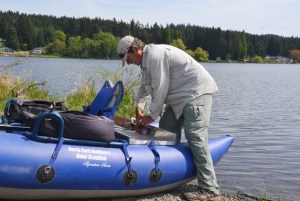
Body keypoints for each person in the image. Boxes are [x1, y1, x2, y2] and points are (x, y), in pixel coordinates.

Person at [117, 35, 220, 201]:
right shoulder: (146, 61)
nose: (128, 62)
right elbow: (144, 87)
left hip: (196, 92)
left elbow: (160, 89)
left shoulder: (156, 56)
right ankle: (169, 176)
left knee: (195, 136)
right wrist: (138, 107)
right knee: (165, 132)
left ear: (135, 50)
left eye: (127, 58)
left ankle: (209, 189)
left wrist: (150, 117)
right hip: (179, 98)